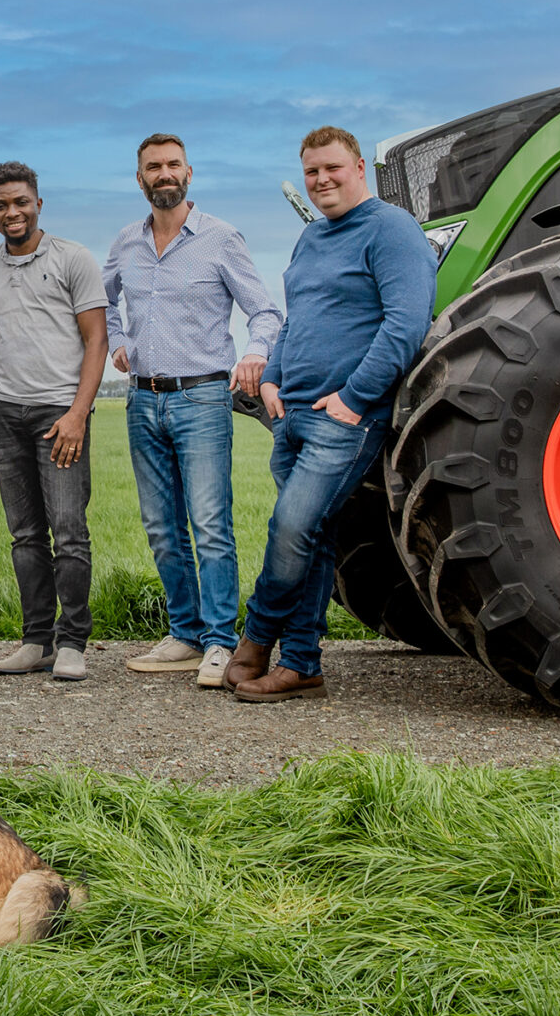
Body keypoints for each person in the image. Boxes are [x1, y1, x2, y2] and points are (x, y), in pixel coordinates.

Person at [228, 127, 437, 703]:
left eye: (332, 169)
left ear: (359, 169)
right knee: (313, 538)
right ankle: (302, 665)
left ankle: (258, 634)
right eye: (312, 172)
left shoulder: (392, 230)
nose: (321, 180)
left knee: (291, 528)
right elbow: (297, 320)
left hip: (343, 419)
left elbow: (405, 323)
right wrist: (270, 377)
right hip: (290, 414)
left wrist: (352, 399)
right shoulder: (313, 239)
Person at [102, 133, 282, 690]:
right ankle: (183, 633)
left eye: (172, 164)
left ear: (188, 173)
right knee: (161, 527)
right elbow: (102, 302)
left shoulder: (222, 239)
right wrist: (114, 339)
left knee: (209, 525)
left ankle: (220, 641)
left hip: (202, 397)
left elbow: (266, 310)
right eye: (153, 167)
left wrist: (254, 355)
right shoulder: (126, 244)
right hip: (142, 397)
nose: (164, 174)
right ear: (140, 179)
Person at [0, 161, 107, 682]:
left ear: (38, 203)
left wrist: (77, 414)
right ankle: (35, 640)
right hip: (4, 414)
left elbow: (97, 340)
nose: (12, 212)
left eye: (20, 202)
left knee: (69, 532)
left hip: (57, 414)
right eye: (1, 205)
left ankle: (73, 643)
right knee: (25, 535)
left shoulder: (73, 258)